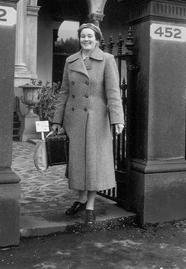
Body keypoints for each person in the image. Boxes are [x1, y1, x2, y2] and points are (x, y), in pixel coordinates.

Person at [52, 23, 124, 225]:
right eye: (83, 36)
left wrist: (117, 118)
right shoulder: (70, 61)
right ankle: (82, 199)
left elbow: (113, 93)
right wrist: (57, 120)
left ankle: (90, 206)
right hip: (74, 120)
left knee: (92, 162)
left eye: (90, 36)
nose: (86, 39)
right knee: (78, 162)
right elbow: (64, 92)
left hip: (96, 120)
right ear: (79, 38)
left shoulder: (107, 60)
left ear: (97, 38)